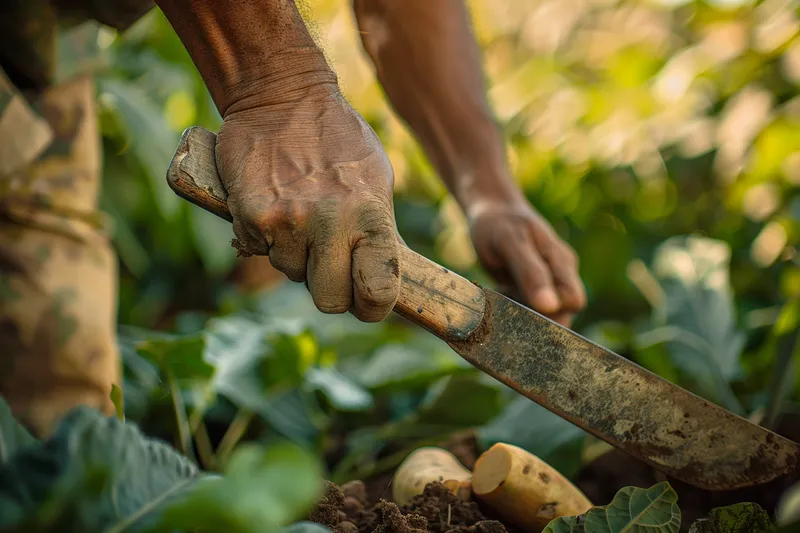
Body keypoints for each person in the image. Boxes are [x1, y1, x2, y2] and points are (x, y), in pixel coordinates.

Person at [0, 0, 585, 438]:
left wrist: (489, 190)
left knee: (57, 427)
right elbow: (279, 88)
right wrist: (280, 90)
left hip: (39, 41)